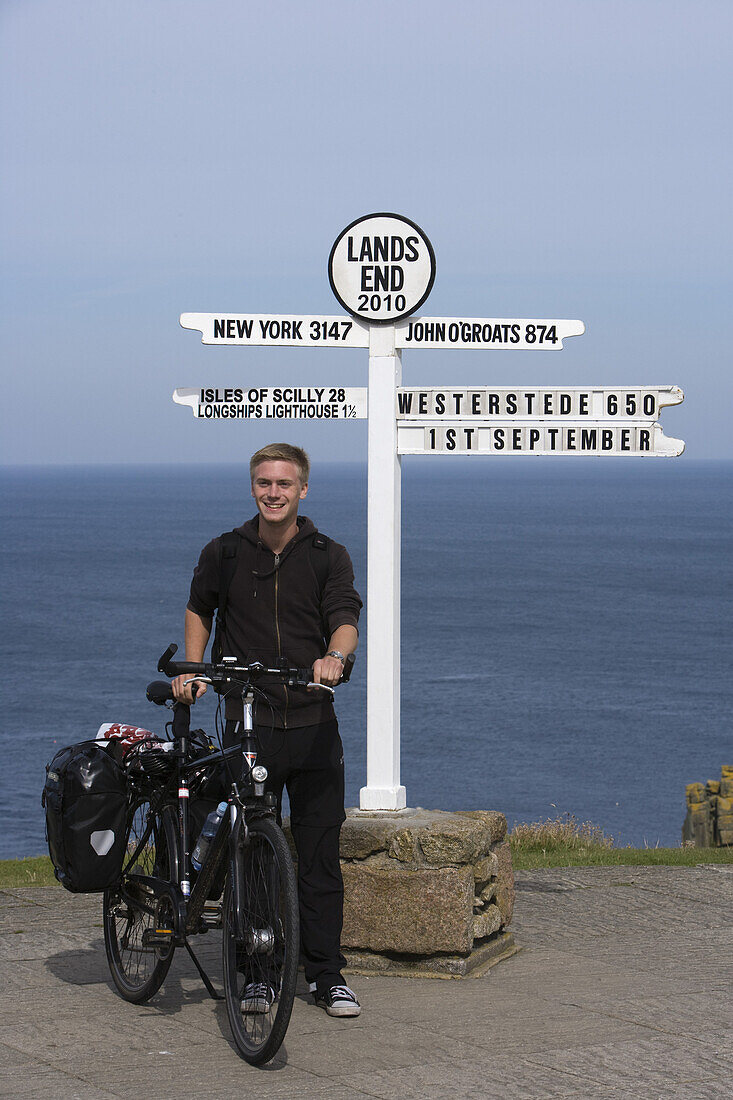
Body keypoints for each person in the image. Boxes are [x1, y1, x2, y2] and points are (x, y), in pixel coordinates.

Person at [172, 442, 362, 1018]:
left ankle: (326, 977)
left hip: (312, 726)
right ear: (253, 488)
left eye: (284, 484)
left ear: (303, 489)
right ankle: (256, 974)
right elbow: (198, 607)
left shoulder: (329, 555)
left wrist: (333, 657)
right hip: (247, 722)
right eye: (263, 483)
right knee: (251, 856)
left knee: (319, 858)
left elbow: (345, 618)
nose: (273, 493)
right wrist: (195, 668)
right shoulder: (225, 552)